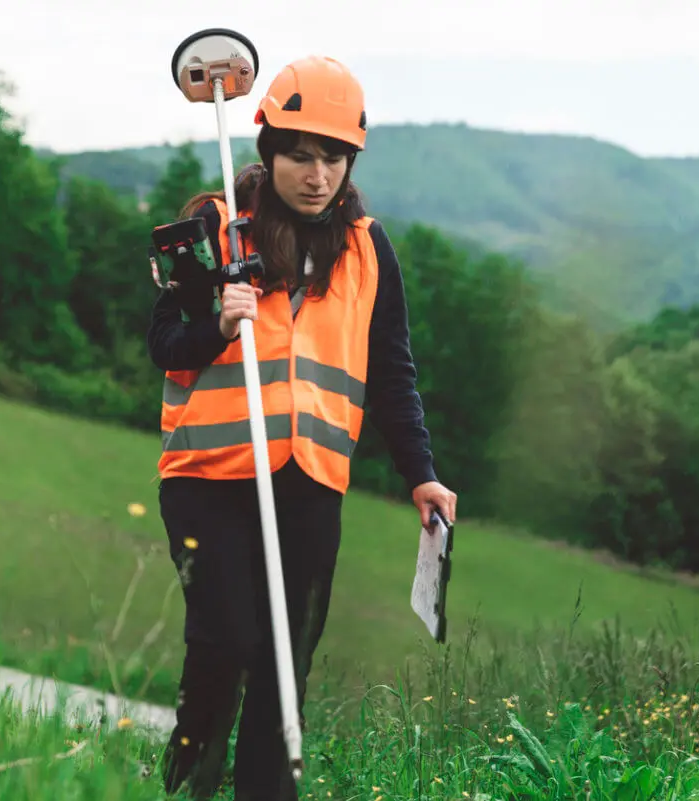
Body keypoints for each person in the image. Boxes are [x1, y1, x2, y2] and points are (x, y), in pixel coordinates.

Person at [146, 54, 458, 800]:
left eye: (334, 158)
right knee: (224, 642)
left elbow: (391, 374)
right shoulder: (214, 228)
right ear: (268, 150)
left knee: (287, 665)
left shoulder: (367, 250)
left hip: (311, 483)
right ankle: (187, 784)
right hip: (209, 477)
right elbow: (165, 344)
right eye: (301, 155)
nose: (318, 175)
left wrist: (421, 471)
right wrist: (218, 324)